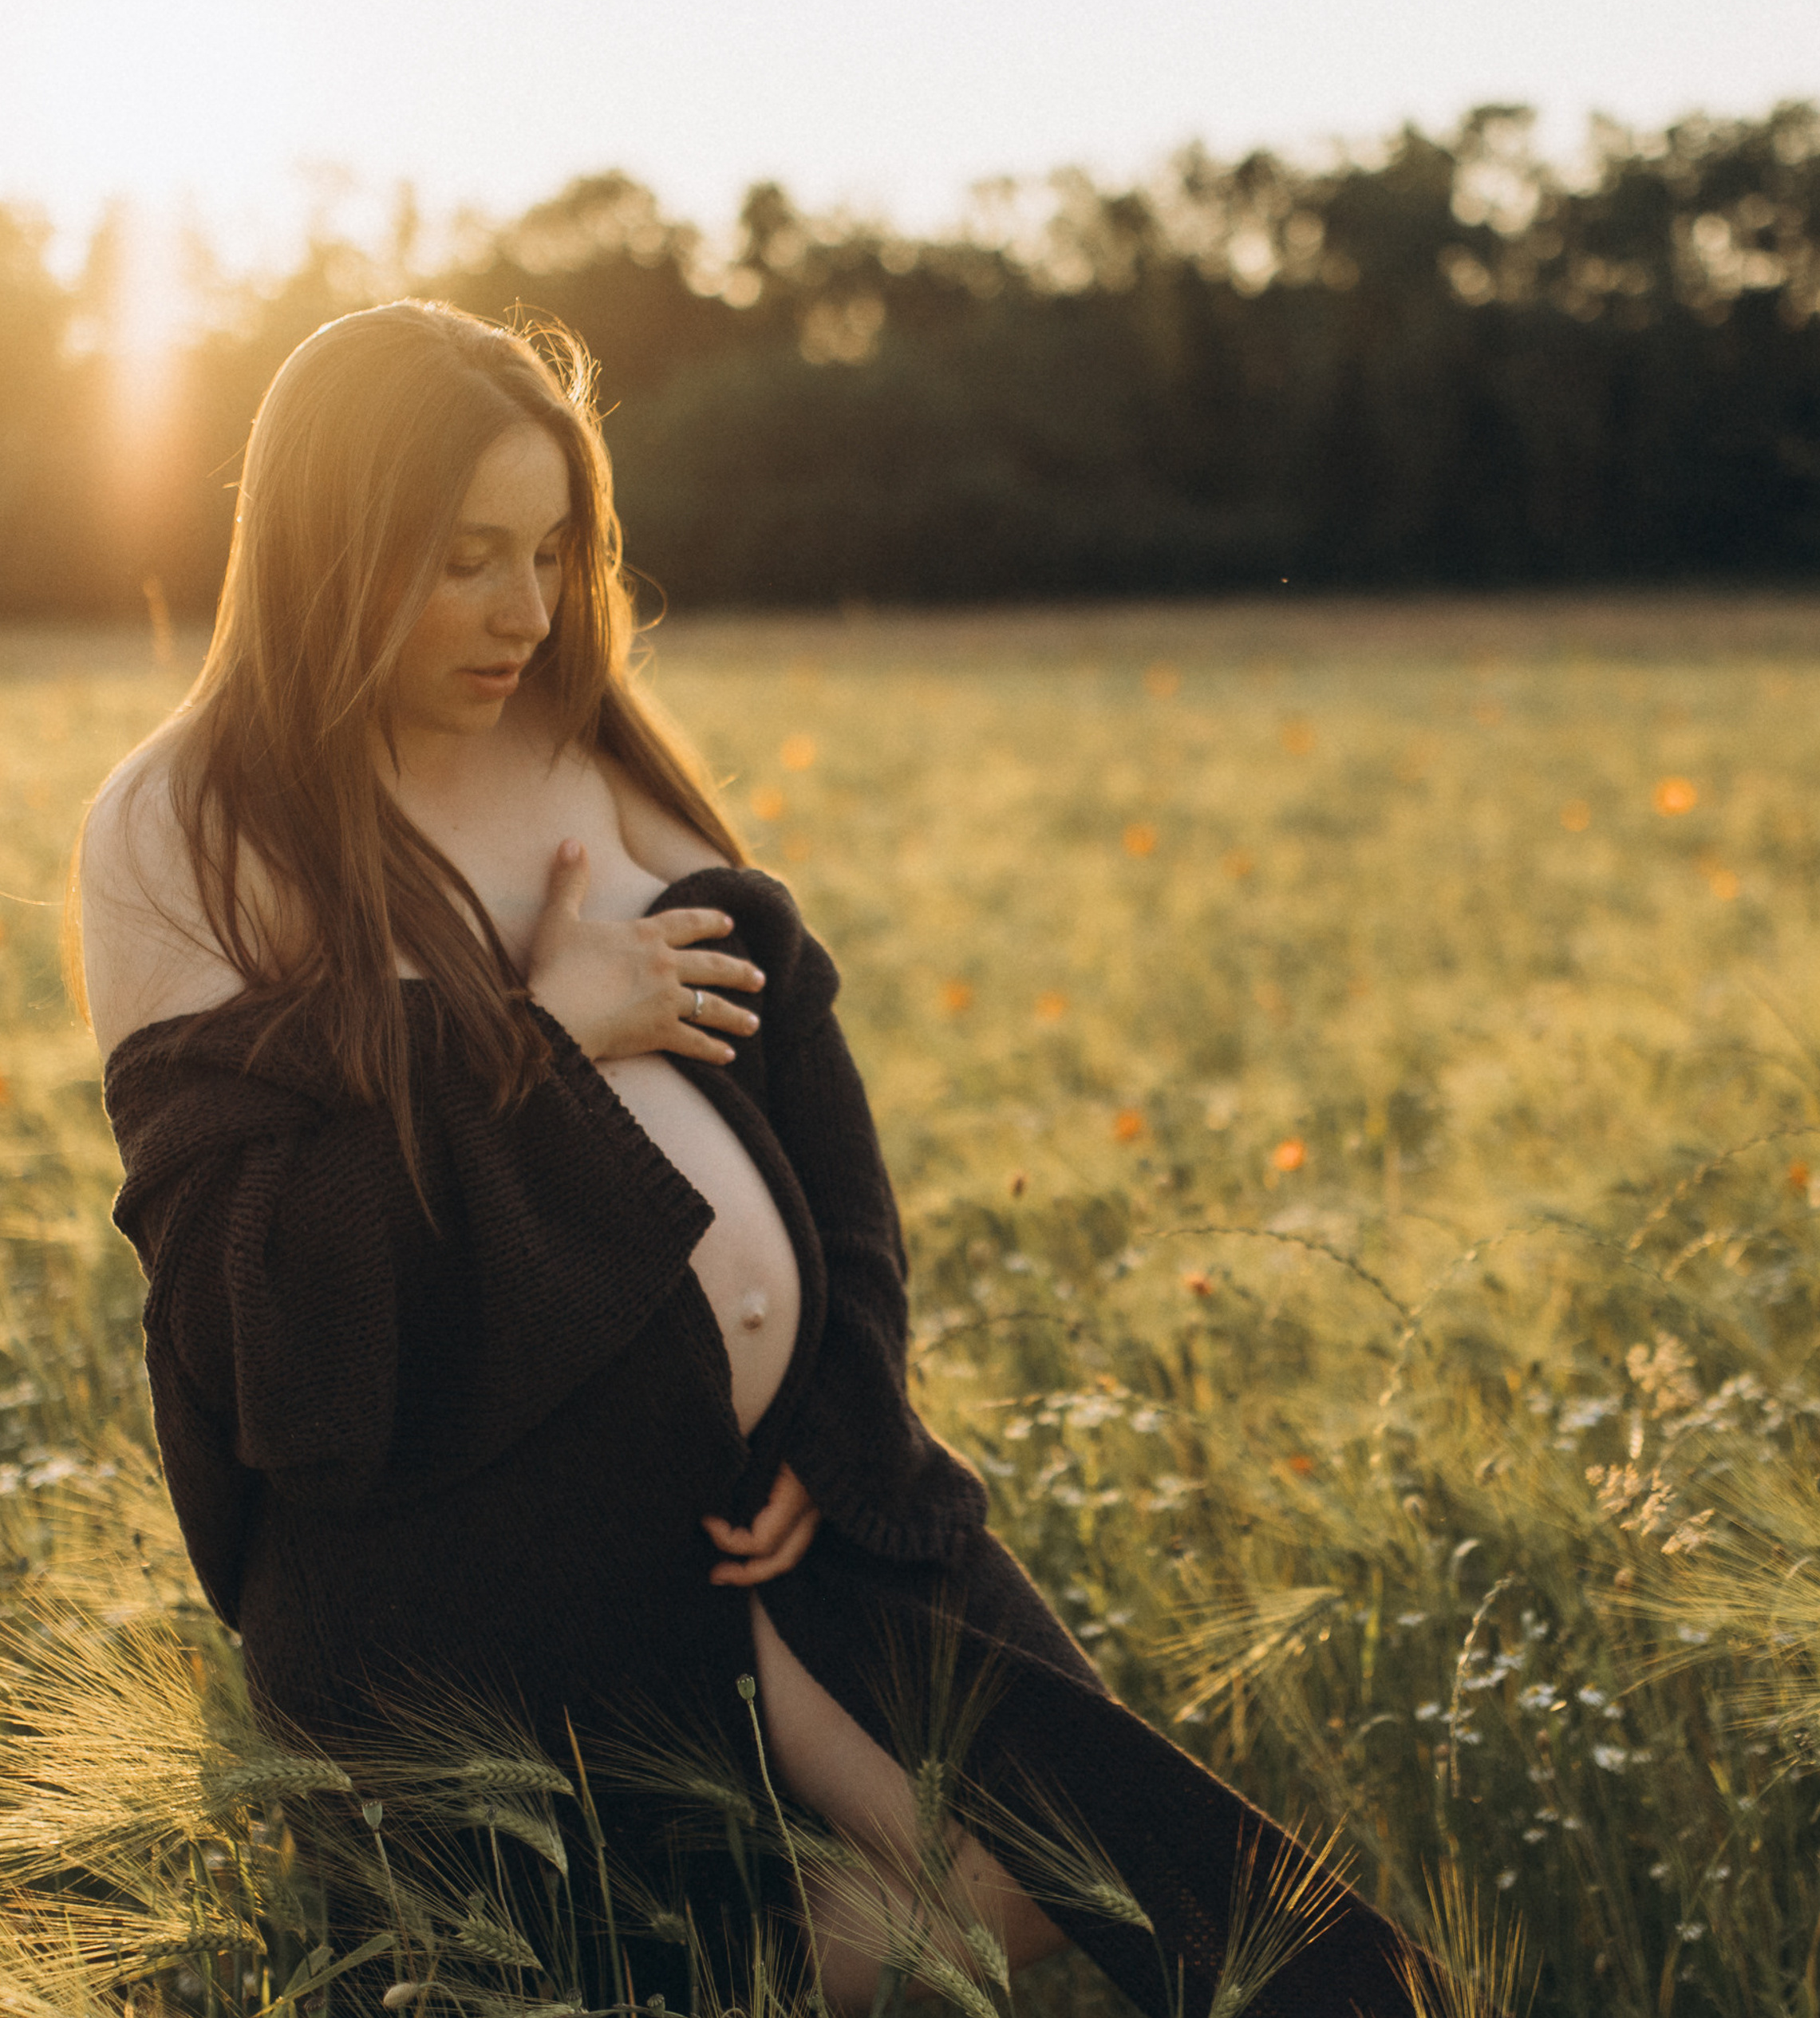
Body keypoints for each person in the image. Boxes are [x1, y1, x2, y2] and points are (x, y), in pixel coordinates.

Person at [77, 301, 1429, 2016]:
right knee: (588, 1965)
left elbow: (817, 1138)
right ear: (329, 550)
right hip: (490, 1559)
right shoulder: (192, 822)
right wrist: (535, 1034)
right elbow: (255, 1300)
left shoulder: (584, 749)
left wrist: (839, 1405)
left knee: (1173, 1902)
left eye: (554, 550)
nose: (526, 609)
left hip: (798, 1513)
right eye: (465, 557)